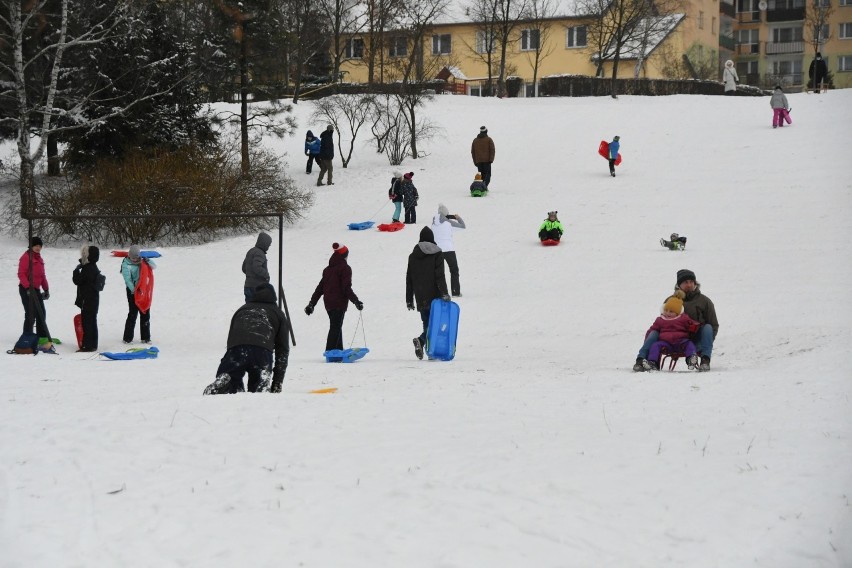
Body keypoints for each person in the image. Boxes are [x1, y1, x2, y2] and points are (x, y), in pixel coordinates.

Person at [203, 284, 290, 395]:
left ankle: (227, 379)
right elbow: (282, 351)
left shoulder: (242, 309)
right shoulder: (278, 313)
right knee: (258, 383)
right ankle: (261, 383)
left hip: (236, 348)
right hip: (261, 350)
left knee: (232, 374)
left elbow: (231, 339)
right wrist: (277, 383)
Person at [633, 269, 719, 372]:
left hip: (696, 339)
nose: (689, 285)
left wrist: (706, 341)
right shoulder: (670, 301)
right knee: (654, 331)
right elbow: (663, 322)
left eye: (691, 282)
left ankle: (705, 361)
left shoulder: (704, 301)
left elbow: (714, 325)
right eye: (686, 282)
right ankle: (643, 361)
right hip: (670, 340)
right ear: (679, 284)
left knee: (708, 327)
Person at [304, 243, 363, 353]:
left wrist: (312, 304)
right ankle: (330, 351)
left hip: (328, 303)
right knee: (335, 326)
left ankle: (338, 350)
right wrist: (356, 301)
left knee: (336, 325)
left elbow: (320, 288)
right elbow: (346, 288)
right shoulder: (345, 268)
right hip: (339, 302)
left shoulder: (328, 270)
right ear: (344, 256)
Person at [406, 226, 449, 360]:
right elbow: (439, 275)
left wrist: (409, 299)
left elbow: (409, 278)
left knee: (427, 322)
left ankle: (428, 349)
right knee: (435, 323)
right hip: (434, 295)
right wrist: (444, 293)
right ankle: (423, 340)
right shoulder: (437, 253)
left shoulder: (413, 255)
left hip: (420, 295)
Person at [639, 290, 701, 371]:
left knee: (689, 344)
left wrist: (693, 325)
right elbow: (652, 329)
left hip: (681, 343)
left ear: (678, 312)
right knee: (655, 345)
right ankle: (652, 362)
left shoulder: (683, 318)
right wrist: (647, 339)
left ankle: (691, 359)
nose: (667, 313)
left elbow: (691, 324)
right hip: (666, 344)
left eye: (671, 311)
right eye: (666, 310)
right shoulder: (660, 320)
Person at [72, 245, 104, 352]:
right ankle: (93, 344)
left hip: (87, 300)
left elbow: (77, 280)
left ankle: (87, 346)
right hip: (93, 300)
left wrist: (76, 270)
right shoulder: (93, 267)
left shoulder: (87, 268)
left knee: (87, 323)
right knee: (92, 322)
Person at [122, 245, 156, 344]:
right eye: (133, 258)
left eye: (136, 258)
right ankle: (127, 338)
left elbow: (154, 267)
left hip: (143, 291)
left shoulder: (143, 262)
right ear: (129, 256)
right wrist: (134, 290)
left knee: (145, 312)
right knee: (133, 314)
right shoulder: (125, 264)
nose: (135, 260)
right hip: (132, 291)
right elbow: (127, 280)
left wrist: (148, 260)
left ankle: (145, 338)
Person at [17, 236, 50, 339]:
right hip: (25, 289)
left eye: (40, 246)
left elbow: (42, 275)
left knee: (41, 313)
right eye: (36, 245)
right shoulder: (26, 257)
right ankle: (27, 336)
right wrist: (27, 287)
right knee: (31, 313)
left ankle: (41, 336)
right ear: (31, 246)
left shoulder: (39, 258)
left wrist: (46, 289)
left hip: (36, 289)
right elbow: (21, 274)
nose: (38, 248)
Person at [431, 203, 466, 297]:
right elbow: (463, 226)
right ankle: (455, 292)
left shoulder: (433, 223)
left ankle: (441, 292)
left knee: (439, 272)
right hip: (448, 249)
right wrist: (457, 217)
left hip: (436, 251)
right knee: (454, 270)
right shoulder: (448, 223)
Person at [243, 231, 272, 302]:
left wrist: (250, 276)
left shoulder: (251, 251)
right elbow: (257, 267)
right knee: (258, 309)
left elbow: (244, 268)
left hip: (247, 286)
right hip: (257, 287)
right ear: (265, 243)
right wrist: (266, 275)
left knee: (249, 309)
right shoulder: (260, 253)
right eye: (268, 244)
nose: (268, 247)